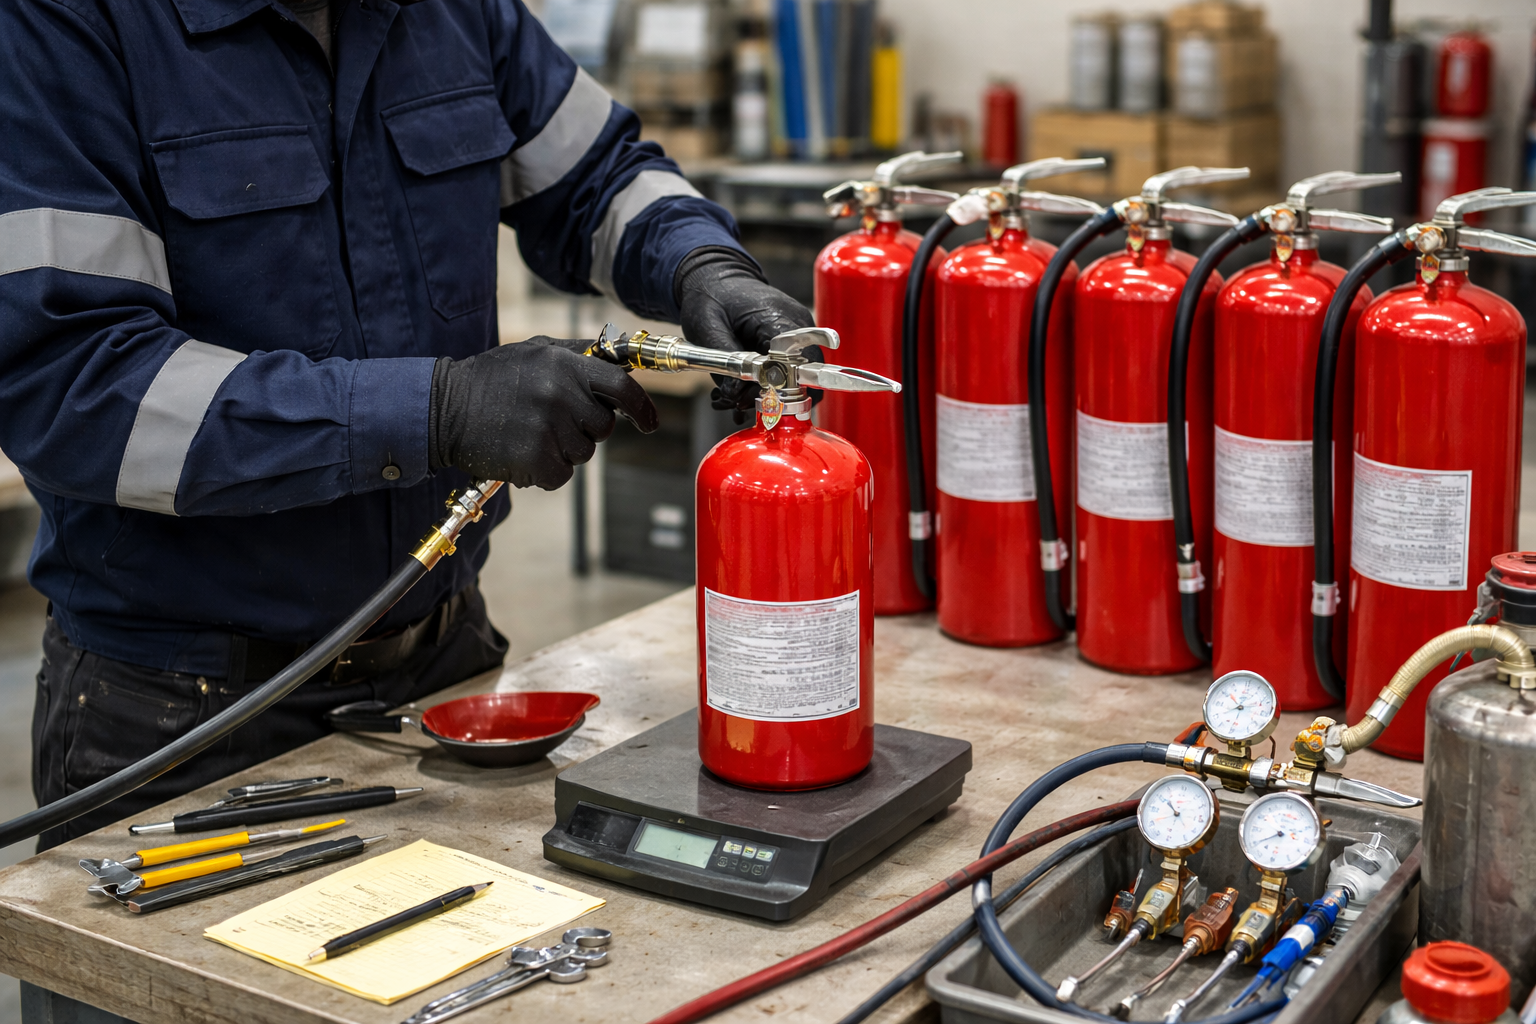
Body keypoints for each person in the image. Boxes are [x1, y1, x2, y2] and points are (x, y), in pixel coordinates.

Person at [0, 0, 813, 852]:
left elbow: (597, 172)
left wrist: (697, 262)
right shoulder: (65, 25)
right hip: (184, 716)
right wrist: (436, 411)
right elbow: (76, 385)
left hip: (440, 672)